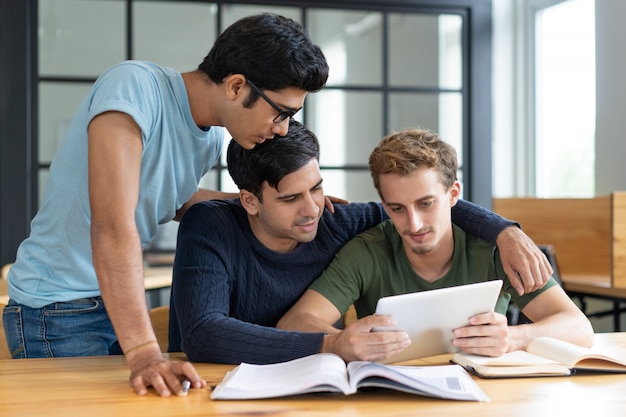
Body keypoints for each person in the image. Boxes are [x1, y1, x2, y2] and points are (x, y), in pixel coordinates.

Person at [3, 13, 329, 397]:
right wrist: (143, 351)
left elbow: (167, 199)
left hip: (117, 303)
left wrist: (276, 202)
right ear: (237, 86)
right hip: (58, 307)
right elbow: (112, 223)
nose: (282, 128)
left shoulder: (208, 141)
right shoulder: (135, 87)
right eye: (281, 113)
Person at [170, 120, 555, 365]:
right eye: (290, 199)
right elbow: (204, 335)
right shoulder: (211, 224)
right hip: (211, 381)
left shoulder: (337, 220)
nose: (312, 210)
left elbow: (419, 206)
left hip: (306, 383)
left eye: (317, 189)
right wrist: (332, 344)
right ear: (249, 200)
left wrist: (504, 231)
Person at [277, 128, 594, 363]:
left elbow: (579, 327)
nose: (413, 225)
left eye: (426, 203)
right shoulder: (366, 251)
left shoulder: (493, 251)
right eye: (397, 208)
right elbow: (294, 323)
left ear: (454, 194)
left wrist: (514, 337)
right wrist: (343, 341)